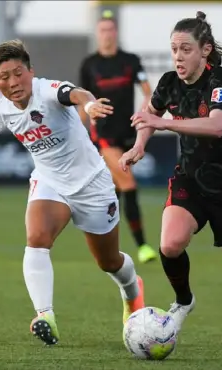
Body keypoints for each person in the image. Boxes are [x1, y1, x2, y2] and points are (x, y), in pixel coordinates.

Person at [0, 39, 145, 346]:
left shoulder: (47, 90)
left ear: (30, 72)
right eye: (4, 77)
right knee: (37, 239)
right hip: (50, 182)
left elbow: (75, 94)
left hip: (92, 184)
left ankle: (133, 293)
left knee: (109, 262)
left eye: (18, 72)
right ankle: (44, 315)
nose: (13, 82)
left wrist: (88, 105)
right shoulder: (1, 111)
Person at [119, 12, 222, 350]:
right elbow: (151, 115)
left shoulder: (220, 81)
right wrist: (140, 144)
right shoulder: (168, 82)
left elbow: (215, 126)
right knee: (170, 244)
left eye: (185, 49)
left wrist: (163, 125)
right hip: (190, 179)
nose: (178, 56)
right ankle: (184, 300)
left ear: (204, 51)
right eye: (174, 49)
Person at [78, 11, 157, 264]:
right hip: (103, 137)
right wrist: (79, 132)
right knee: (128, 185)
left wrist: (146, 106)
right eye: (102, 30)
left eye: (110, 30)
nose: (107, 34)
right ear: (98, 34)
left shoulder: (131, 61)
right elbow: (82, 103)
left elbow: (147, 90)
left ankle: (107, 250)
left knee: (113, 193)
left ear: (116, 33)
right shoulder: (89, 64)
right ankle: (143, 246)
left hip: (128, 135)